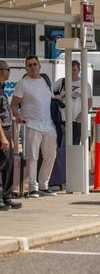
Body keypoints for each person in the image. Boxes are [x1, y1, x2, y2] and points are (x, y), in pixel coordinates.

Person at [10, 55, 57, 198]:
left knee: (50, 156)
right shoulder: (23, 83)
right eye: (29, 65)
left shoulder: (45, 81)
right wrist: (18, 115)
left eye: (35, 64)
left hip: (48, 124)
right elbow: (13, 104)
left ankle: (44, 185)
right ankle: (32, 187)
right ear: (26, 68)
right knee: (32, 157)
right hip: (31, 124)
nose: (32, 67)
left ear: (39, 66)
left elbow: (50, 99)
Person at [52, 60, 92, 146]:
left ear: (79, 70)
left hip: (76, 121)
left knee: (74, 146)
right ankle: (62, 160)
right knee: (61, 145)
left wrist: (82, 115)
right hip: (62, 120)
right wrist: (57, 96)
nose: (72, 72)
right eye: (70, 70)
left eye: (74, 70)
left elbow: (89, 102)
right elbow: (49, 91)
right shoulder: (62, 81)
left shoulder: (85, 84)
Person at [0, 61, 21, 210]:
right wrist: (2, 137)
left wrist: (10, 138)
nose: (3, 72)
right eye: (0, 69)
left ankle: (6, 196)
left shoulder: (2, 88)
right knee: (1, 165)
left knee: (8, 164)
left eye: (5, 69)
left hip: (6, 129)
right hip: (1, 130)